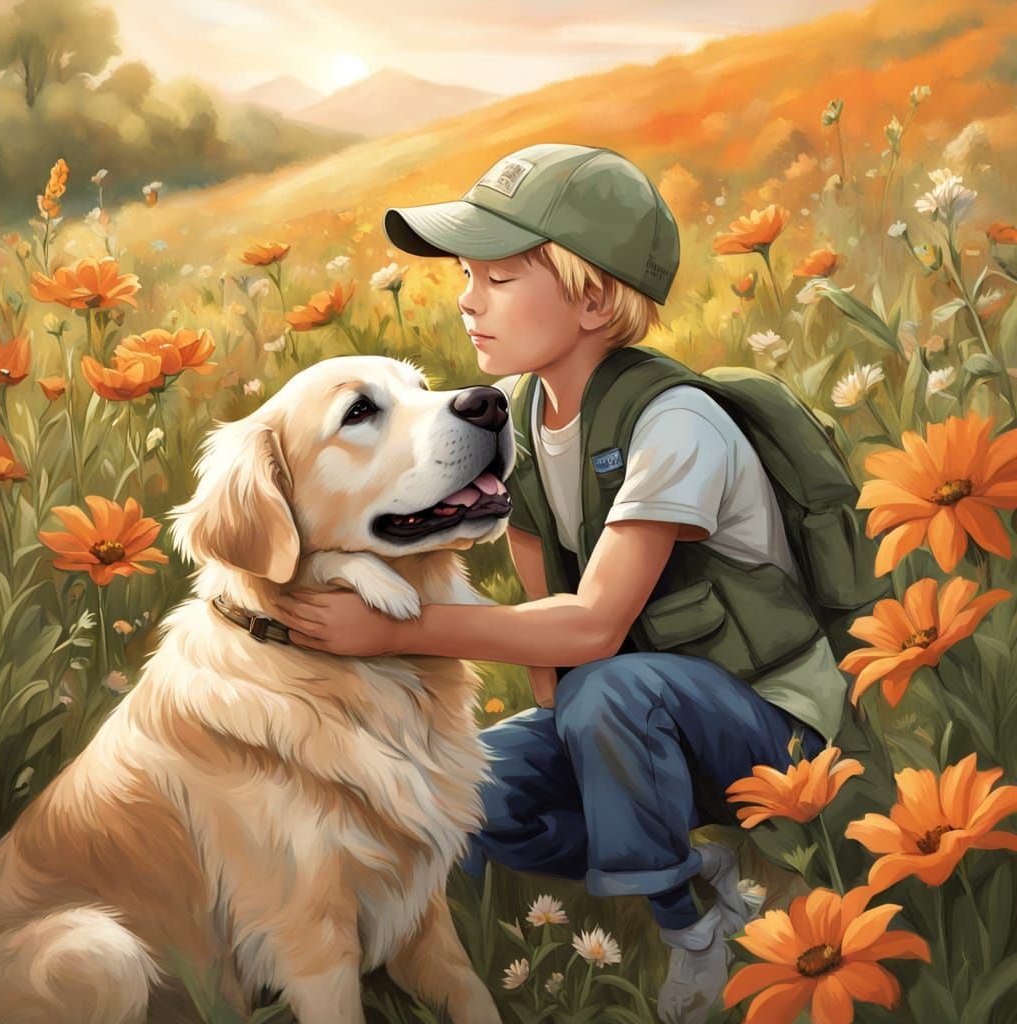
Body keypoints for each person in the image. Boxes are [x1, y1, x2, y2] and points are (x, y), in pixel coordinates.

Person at [273, 143, 852, 1023]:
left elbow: (587, 630)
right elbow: (550, 661)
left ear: (592, 300)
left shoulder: (676, 423)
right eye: (466, 276)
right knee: (470, 793)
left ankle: (690, 930)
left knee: (607, 689)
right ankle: (691, 868)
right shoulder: (517, 416)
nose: (469, 300)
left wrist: (394, 631)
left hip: (770, 727)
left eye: (500, 277)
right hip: (637, 724)